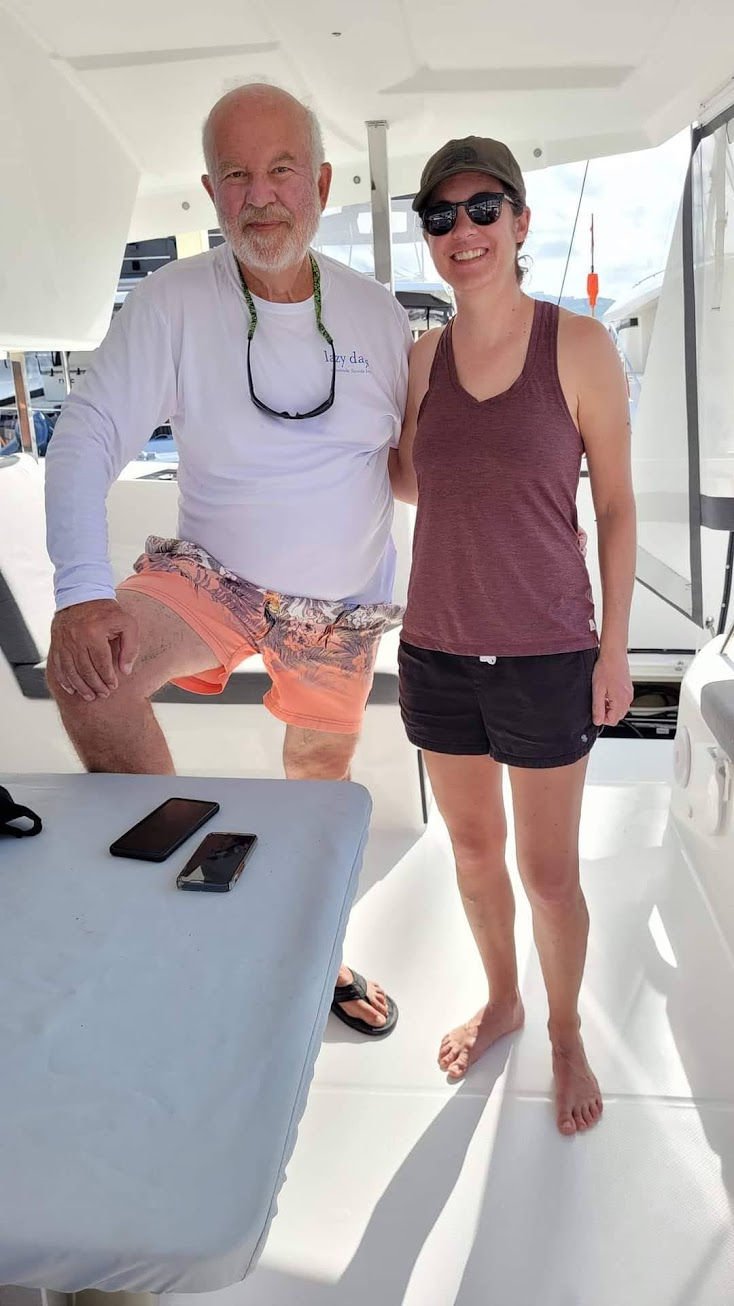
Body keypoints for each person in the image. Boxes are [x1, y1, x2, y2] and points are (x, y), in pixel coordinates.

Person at [44, 82, 411, 1039]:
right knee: (91, 679)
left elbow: (413, 470)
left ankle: (318, 951)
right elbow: (83, 437)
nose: (261, 195)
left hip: (340, 607)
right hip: (215, 578)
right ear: (210, 192)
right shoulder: (170, 302)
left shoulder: (377, 314)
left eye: (282, 168)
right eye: (237, 175)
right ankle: (185, 914)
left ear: (322, 182)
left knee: (318, 780)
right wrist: (83, 595)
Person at [389, 136, 636, 1133]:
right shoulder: (421, 357)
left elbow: (615, 506)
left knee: (547, 874)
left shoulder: (575, 347)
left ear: (519, 222)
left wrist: (613, 647)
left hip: (546, 654)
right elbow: (414, 478)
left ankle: (565, 1026)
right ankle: (502, 998)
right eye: (439, 218)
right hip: (436, 650)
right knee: (474, 856)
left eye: (482, 209)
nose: (462, 232)